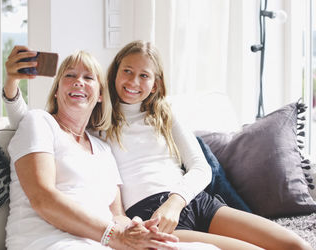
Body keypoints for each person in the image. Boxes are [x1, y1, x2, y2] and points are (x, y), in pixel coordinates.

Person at [3, 46, 219, 250]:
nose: (78, 81)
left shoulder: (103, 149)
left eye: (88, 78)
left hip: (101, 244)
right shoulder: (39, 122)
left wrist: (136, 230)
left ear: (99, 96)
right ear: (57, 90)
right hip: (50, 242)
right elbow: (43, 199)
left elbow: (117, 215)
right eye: (69, 76)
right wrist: (12, 82)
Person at [103, 40, 312, 250]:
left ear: (155, 84)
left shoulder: (165, 115)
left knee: (297, 245)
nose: (133, 81)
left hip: (193, 200)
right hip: (153, 217)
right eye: (127, 71)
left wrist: (175, 202)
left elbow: (201, 168)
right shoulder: (100, 122)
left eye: (144, 75)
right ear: (115, 73)